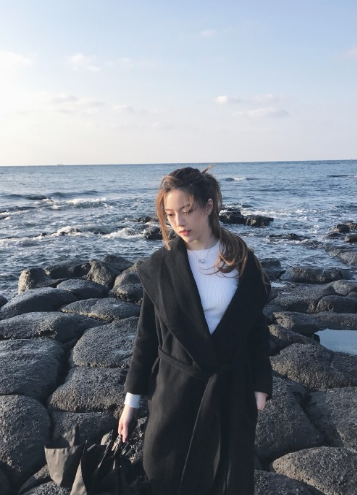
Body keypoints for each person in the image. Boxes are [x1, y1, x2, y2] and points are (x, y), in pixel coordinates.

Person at [118, 166, 272, 495]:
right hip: (174, 395)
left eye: (187, 210)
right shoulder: (160, 267)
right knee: (164, 480)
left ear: (208, 206)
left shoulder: (241, 261)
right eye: (170, 214)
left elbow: (256, 329)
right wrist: (131, 401)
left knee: (228, 483)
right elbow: (146, 337)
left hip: (230, 392)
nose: (179, 222)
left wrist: (260, 386)